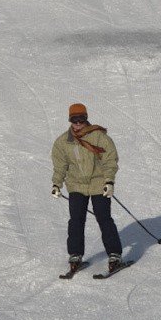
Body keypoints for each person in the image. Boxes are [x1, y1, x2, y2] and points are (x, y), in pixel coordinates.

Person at [51, 103, 123, 274]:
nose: (77, 123)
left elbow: (110, 160)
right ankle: (75, 255)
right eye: (74, 120)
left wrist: (109, 182)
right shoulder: (63, 142)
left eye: (81, 119)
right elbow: (60, 166)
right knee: (76, 220)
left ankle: (115, 254)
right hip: (76, 184)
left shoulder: (99, 137)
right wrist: (56, 184)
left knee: (104, 218)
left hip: (98, 184)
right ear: (70, 120)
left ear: (86, 118)